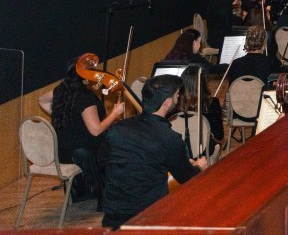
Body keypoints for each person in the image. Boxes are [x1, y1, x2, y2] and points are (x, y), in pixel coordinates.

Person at [101, 75, 206, 227]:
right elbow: (187, 178)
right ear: (167, 102)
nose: (178, 99)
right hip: (148, 216)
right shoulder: (170, 138)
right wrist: (199, 166)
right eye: (177, 96)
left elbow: (103, 161)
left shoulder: (117, 128)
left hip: (112, 215)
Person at [50, 60, 125, 203]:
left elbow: (42, 100)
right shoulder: (85, 97)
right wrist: (114, 113)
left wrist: (62, 114)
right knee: (118, 141)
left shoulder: (60, 90)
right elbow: (96, 130)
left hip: (62, 151)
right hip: (82, 155)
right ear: (86, 77)